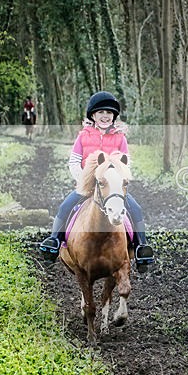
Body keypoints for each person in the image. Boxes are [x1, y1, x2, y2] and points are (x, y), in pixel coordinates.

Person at [39, 91, 155, 270]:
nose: (105, 116)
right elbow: (74, 161)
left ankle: (141, 248)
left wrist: (116, 180)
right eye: (101, 112)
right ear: (93, 115)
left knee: (136, 209)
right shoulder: (83, 136)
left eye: (109, 113)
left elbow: (126, 163)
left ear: (114, 116)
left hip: (112, 187)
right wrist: (84, 180)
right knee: (64, 207)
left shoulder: (120, 137)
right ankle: (53, 242)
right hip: (88, 185)